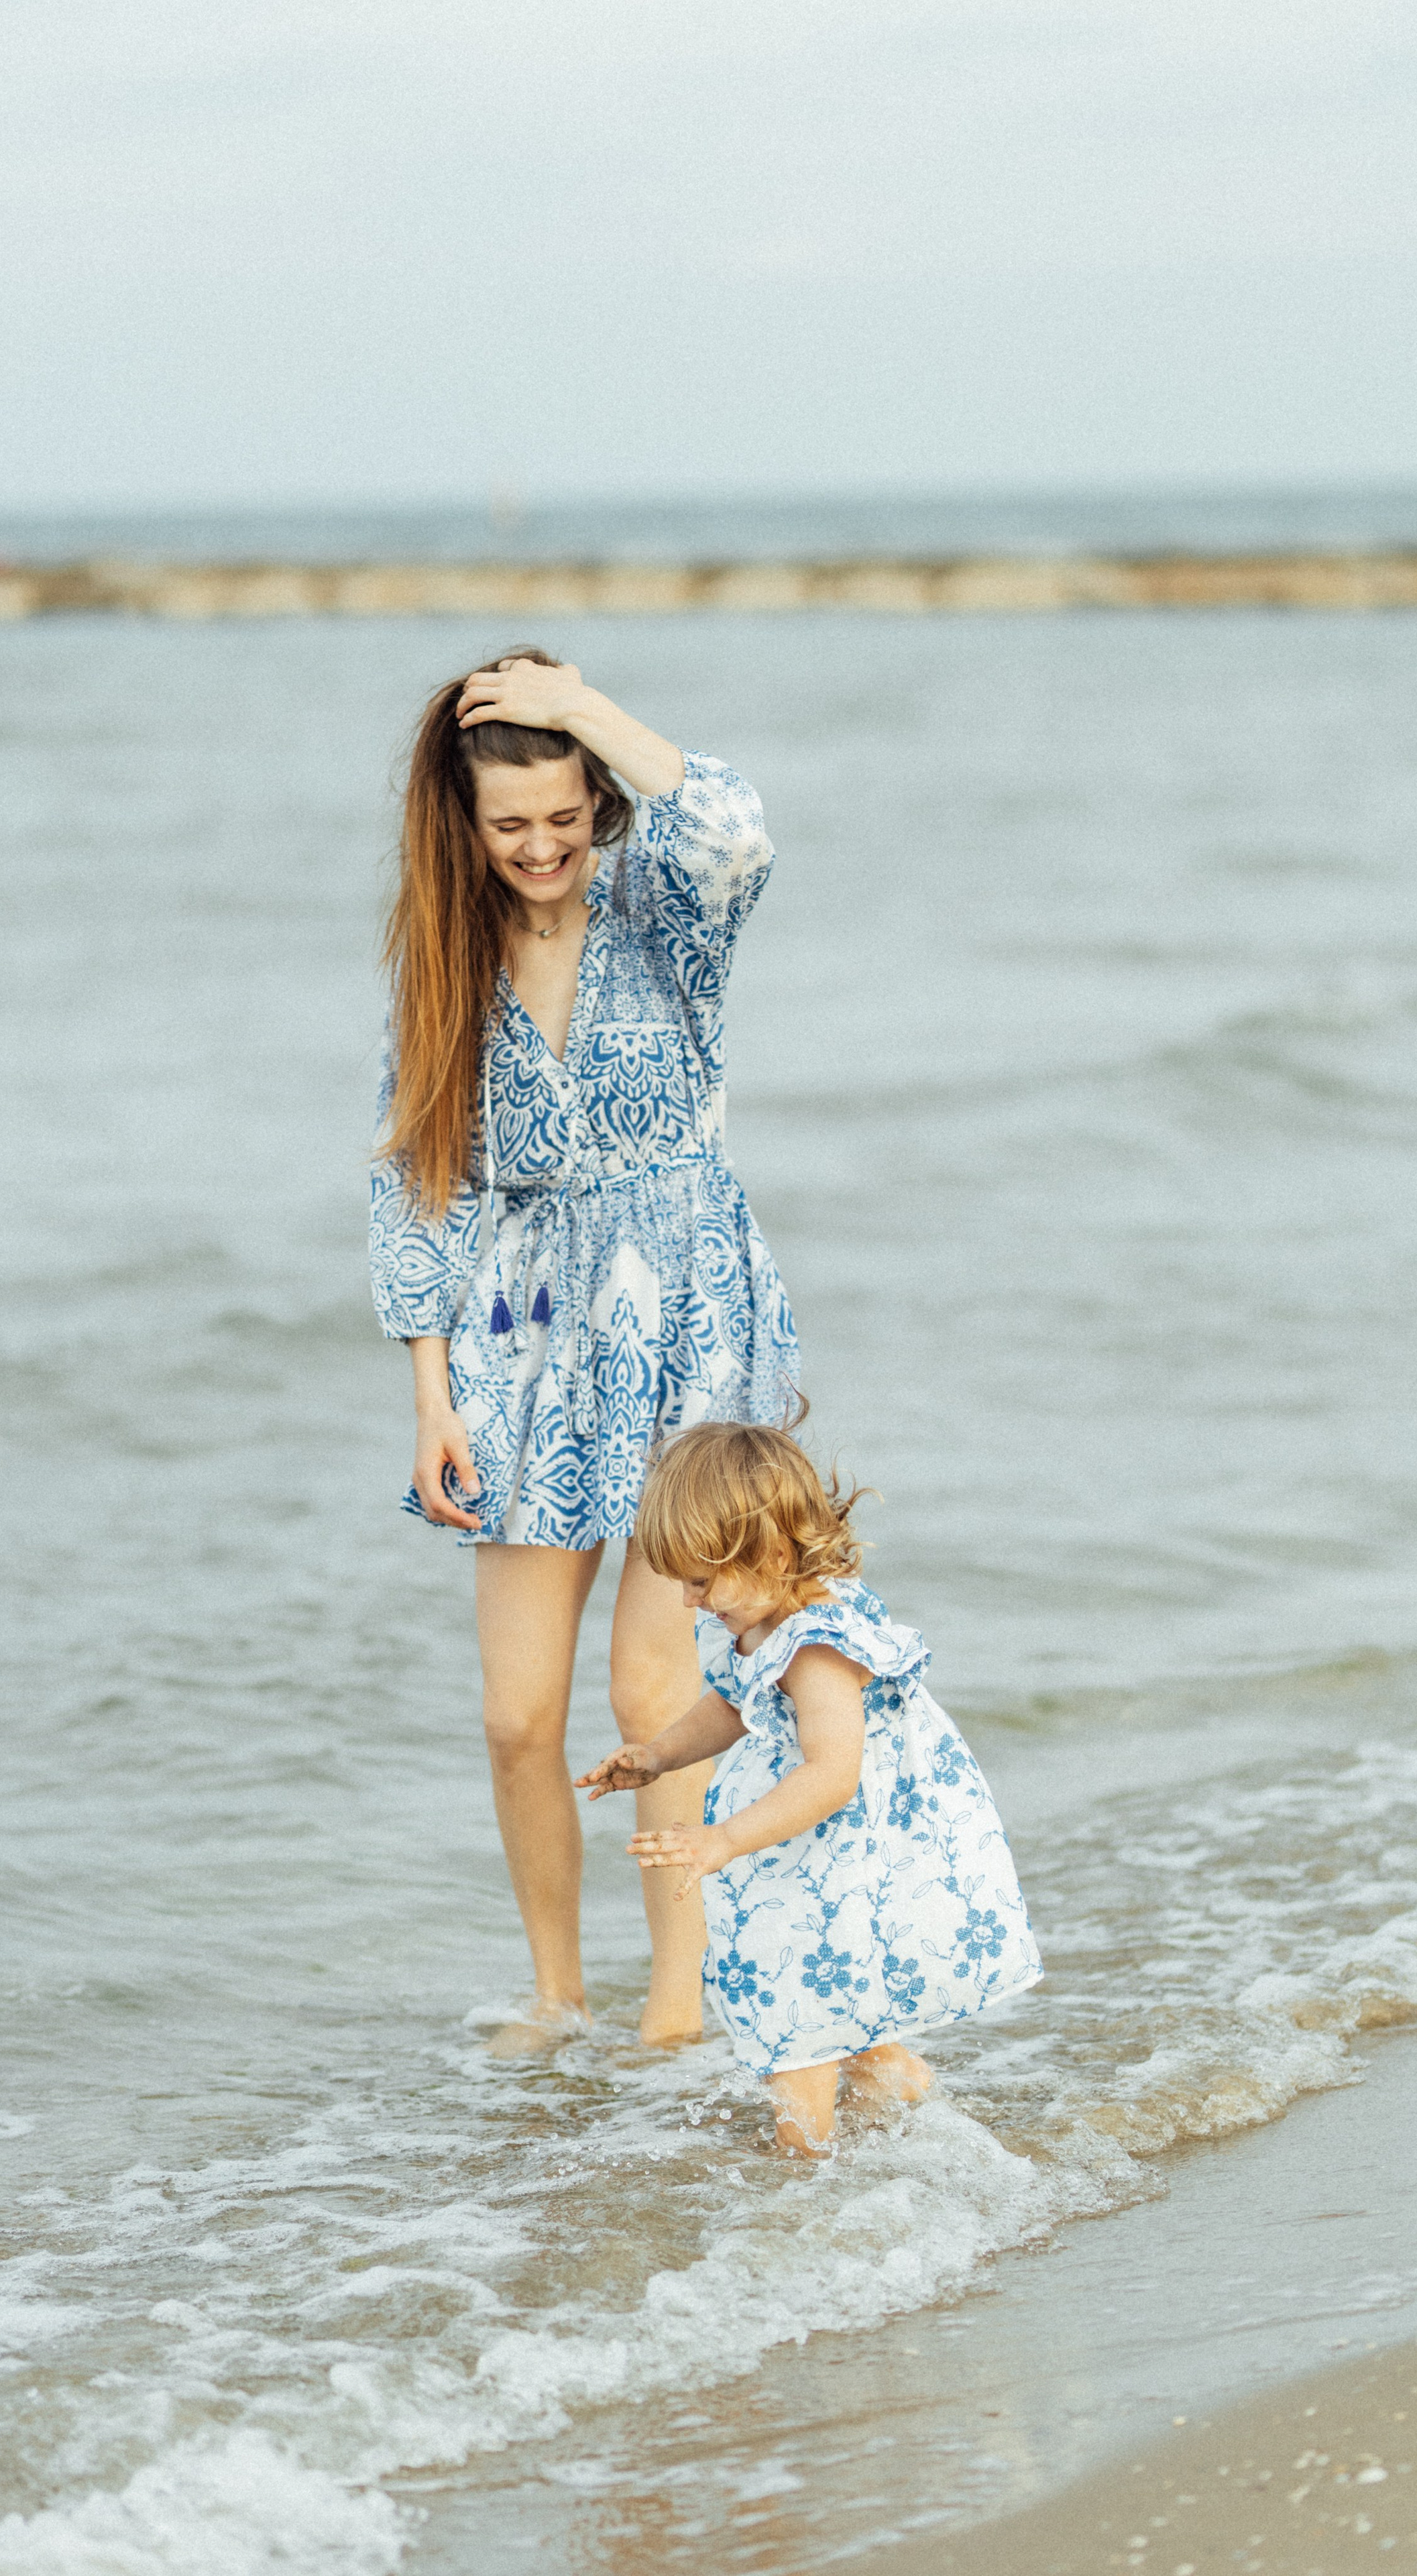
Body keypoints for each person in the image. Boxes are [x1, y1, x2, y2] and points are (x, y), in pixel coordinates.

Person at [368, 653, 798, 2046]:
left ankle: (676, 2000)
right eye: (510, 827)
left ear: (593, 799)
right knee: (515, 1713)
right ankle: (558, 1995)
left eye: (562, 814)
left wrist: (581, 704)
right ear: (464, 827)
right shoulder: (445, 957)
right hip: (520, 1341)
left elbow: (733, 824)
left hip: (688, 1314)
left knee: (651, 1687)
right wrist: (431, 1395)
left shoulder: (664, 909)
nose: (541, 848)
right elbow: (418, 1181)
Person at [574, 1422, 1042, 2153]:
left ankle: (801, 2173)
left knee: (799, 2004)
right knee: (829, 1991)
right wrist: (659, 1755)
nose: (691, 1602)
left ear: (762, 1547)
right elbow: (733, 1702)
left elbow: (831, 1772)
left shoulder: (817, 1647)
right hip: (809, 1850)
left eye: (700, 1580)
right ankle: (896, 2085)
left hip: (835, 1845)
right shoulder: (763, 1620)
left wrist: (723, 1838)